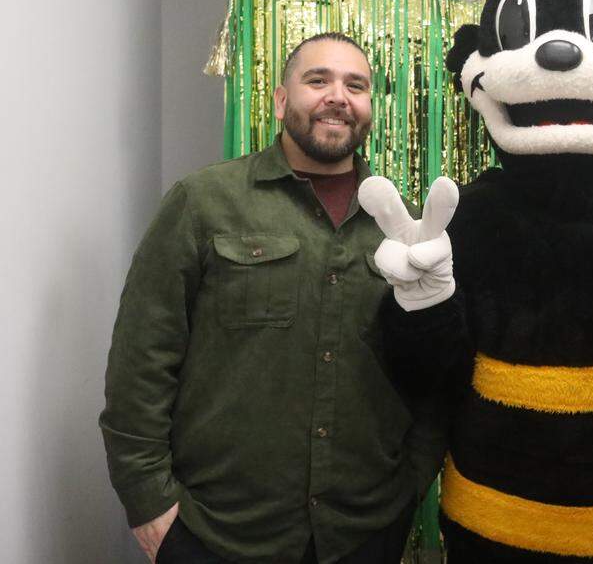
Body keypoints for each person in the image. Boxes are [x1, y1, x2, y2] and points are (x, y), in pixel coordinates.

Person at [100, 33, 444, 564]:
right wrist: (150, 506)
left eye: (356, 85)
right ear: (282, 101)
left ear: (370, 107)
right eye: (318, 80)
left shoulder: (405, 230)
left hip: (363, 531)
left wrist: (409, 487)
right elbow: (142, 359)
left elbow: (434, 373)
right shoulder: (204, 203)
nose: (338, 96)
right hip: (216, 533)